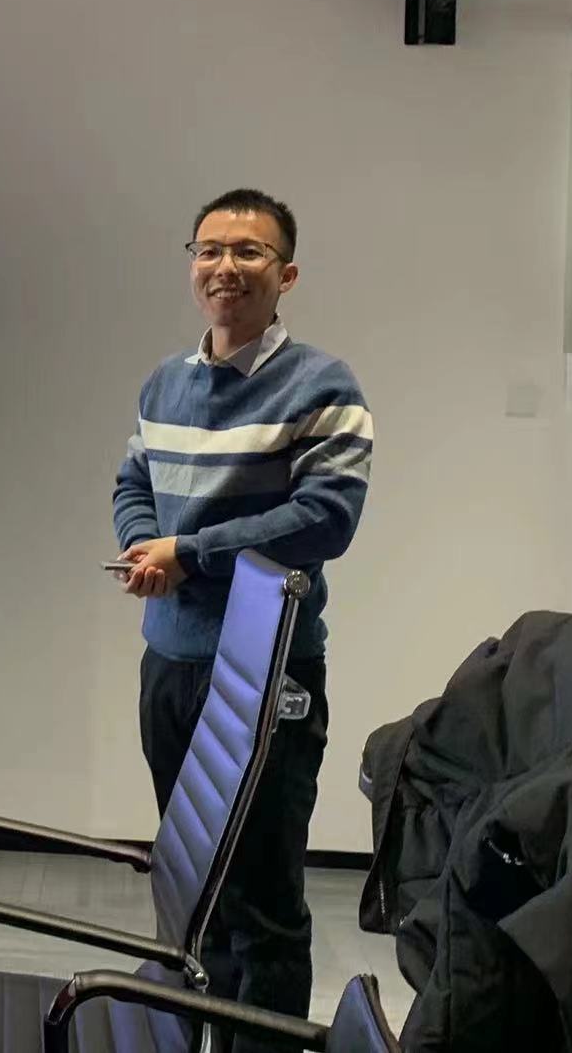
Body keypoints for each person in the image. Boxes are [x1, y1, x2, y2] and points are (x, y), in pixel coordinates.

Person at [112, 188, 372, 1043]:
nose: (225, 266)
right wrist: (145, 547)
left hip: (267, 673)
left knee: (262, 905)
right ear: (193, 265)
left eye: (249, 251)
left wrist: (189, 552)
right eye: (210, 249)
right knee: (195, 894)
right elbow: (133, 484)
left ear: (285, 275)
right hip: (170, 665)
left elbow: (324, 520)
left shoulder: (323, 384)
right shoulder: (165, 382)